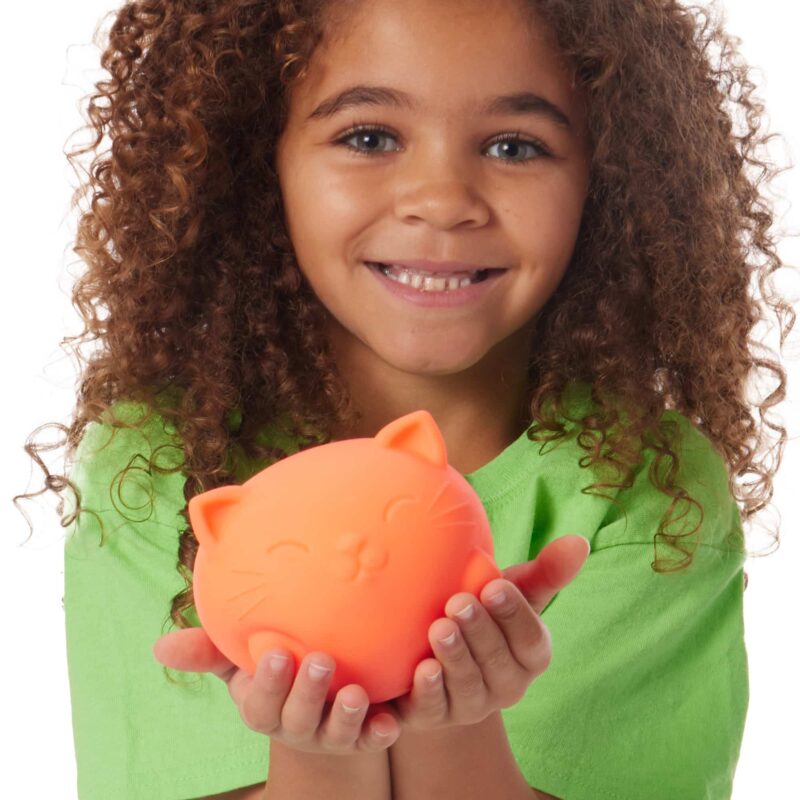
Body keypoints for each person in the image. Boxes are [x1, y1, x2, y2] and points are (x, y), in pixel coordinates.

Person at [17, 0, 793, 798]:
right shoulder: (160, 467)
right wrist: (321, 755)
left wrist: (455, 727)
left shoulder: (647, 488)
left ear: (610, 181)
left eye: (515, 146)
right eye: (368, 138)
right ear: (256, 160)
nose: (441, 199)